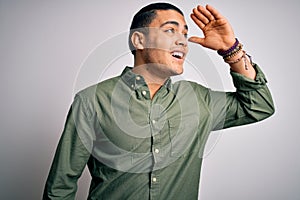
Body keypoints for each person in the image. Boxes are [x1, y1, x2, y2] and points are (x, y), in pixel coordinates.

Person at [43, 2, 274, 200]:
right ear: (139, 40)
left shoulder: (199, 99)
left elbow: (259, 106)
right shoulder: (92, 101)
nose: (183, 42)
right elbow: (61, 185)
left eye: (184, 34)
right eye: (170, 31)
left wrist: (231, 50)